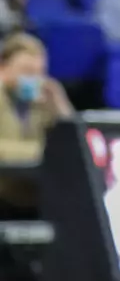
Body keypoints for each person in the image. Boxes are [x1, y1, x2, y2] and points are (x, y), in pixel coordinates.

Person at [0, 33, 72, 218]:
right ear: (3, 69)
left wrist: (60, 107)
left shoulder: (44, 101)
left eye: (39, 72)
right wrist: (42, 153)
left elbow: (72, 147)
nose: (34, 78)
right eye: (26, 71)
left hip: (36, 193)